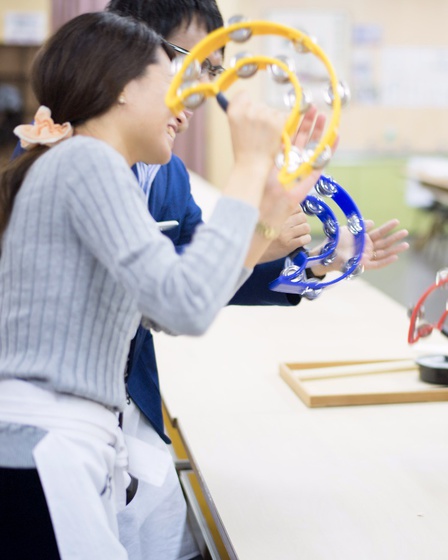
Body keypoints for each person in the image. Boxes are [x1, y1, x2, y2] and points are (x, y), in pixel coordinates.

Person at [0, 11, 324, 559]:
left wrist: (263, 207)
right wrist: (248, 168)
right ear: (121, 88)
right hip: (46, 450)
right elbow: (185, 306)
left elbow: (161, 303)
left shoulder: (86, 165)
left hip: (57, 450)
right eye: (172, 82)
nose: (188, 104)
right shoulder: (84, 161)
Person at [95, 2, 410, 559]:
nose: (199, 92)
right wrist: (259, 201)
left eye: (213, 72)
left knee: (168, 535)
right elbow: (175, 297)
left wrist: (318, 262)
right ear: (128, 50)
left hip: (132, 402)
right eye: (191, 62)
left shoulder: (162, 164)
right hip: (74, 418)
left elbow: (205, 262)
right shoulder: (71, 162)